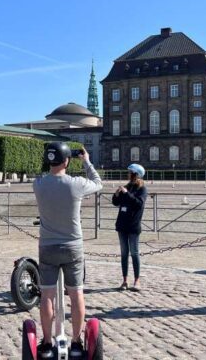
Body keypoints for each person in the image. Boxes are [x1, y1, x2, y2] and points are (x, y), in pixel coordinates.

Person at [33, 142, 102, 358]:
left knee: (47, 296)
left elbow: (44, 174)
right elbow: (98, 183)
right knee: (76, 294)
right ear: (67, 161)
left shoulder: (38, 184)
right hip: (73, 246)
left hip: (47, 246)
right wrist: (87, 161)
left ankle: (46, 342)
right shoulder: (77, 184)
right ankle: (76, 341)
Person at [112, 163, 148, 292]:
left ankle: (137, 280)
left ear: (136, 174)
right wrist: (116, 195)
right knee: (123, 254)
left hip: (133, 225)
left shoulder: (142, 189)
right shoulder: (127, 186)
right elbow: (116, 203)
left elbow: (138, 204)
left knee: (134, 253)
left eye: (130, 172)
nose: (128, 174)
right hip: (122, 224)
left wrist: (126, 193)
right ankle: (125, 280)